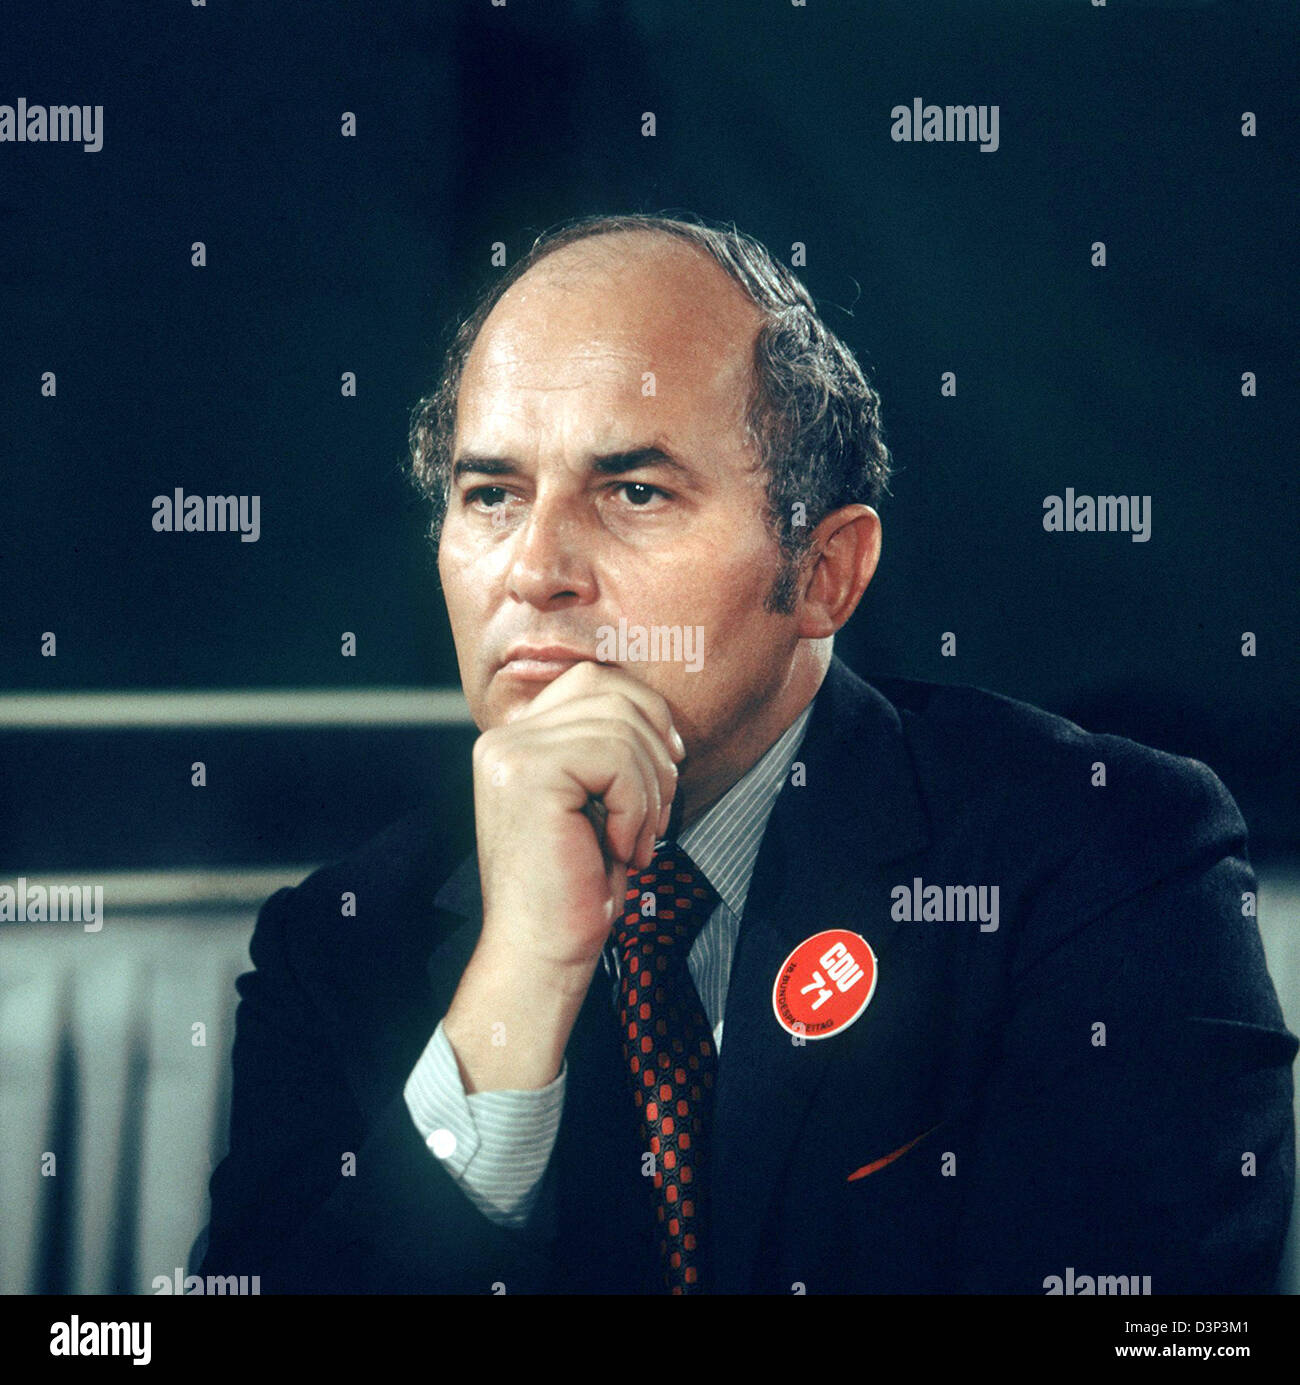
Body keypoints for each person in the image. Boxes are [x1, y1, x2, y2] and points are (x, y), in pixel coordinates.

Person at [199, 213, 1296, 1295]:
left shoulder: (1107, 862)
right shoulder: (335, 946)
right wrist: (522, 974)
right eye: (491, 493)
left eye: (634, 491)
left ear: (825, 572)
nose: (534, 569)